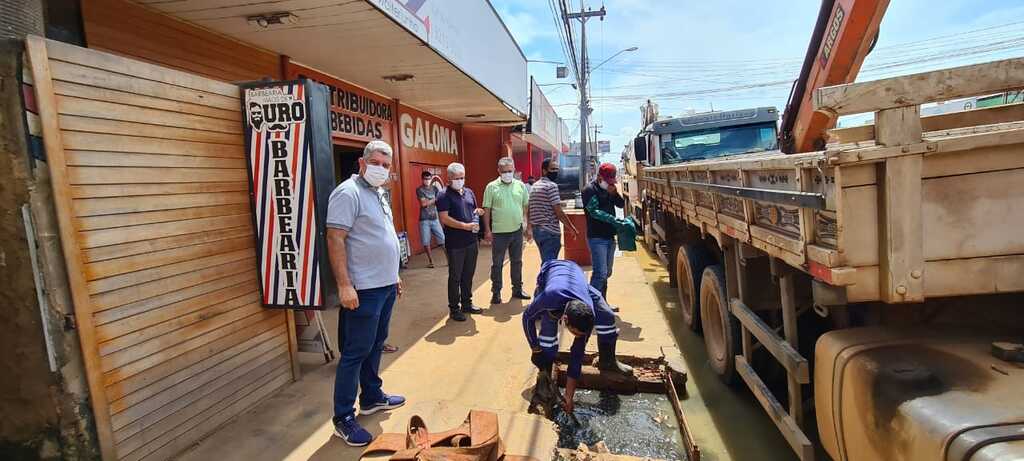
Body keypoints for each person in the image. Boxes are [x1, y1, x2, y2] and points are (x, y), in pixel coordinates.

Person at [325, 140, 406, 447]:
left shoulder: (378, 192)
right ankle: (343, 418)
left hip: (383, 285)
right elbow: (335, 238)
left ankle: (371, 397)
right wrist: (345, 285)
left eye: (386, 165)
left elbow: (380, 236)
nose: (381, 169)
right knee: (355, 352)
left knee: (375, 343)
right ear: (362, 163)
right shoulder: (348, 192)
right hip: (363, 289)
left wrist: (393, 274)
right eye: (376, 162)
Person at [523, 260, 633, 413]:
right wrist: (535, 349)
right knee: (548, 339)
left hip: (577, 279)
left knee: (607, 316)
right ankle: (544, 380)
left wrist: (569, 396)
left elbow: (577, 356)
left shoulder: (588, 313)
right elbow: (527, 318)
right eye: (575, 333)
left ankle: (607, 361)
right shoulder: (549, 298)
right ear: (565, 320)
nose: (576, 337)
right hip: (551, 272)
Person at [437, 162, 485, 322]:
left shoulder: (469, 192)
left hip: (471, 241)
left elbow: (473, 210)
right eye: (456, 178)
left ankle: (467, 303)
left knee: (468, 275)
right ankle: (454, 308)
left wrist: (478, 212)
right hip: (455, 243)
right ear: (449, 178)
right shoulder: (443, 195)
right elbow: (444, 218)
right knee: (455, 277)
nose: (460, 180)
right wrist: (465, 226)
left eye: (462, 177)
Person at [483, 157, 531, 305]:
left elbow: (526, 206)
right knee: (497, 264)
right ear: (498, 171)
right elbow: (487, 209)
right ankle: (496, 292)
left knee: (517, 262)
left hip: (517, 231)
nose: (508, 174)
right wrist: (487, 230)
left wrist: (528, 226)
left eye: (510, 171)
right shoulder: (491, 187)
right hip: (499, 233)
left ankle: (517, 289)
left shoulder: (520, 186)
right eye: (504, 171)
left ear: (514, 169)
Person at [581, 162, 627, 300]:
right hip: (596, 237)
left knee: (607, 273)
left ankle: (602, 303)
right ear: (599, 177)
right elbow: (594, 212)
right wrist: (614, 220)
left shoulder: (610, 189)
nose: (609, 184)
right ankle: (592, 305)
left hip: (609, 237)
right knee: (599, 273)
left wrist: (614, 194)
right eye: (607, 181)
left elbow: (621, 204)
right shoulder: (589, 190)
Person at [528, 158, 579, 262]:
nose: (555, 172)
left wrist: (530, 227)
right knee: (550, 265)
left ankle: (544, 278)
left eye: (557, 169)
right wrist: (571, 227)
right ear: (544, 171)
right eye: (552, 169)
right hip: (549, 232)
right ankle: (544, 278)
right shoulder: (551, 186)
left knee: (546, 262)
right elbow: (558, 211)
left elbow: (530, 208)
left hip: (537, 231)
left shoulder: (534, 186)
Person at [416, 170, 446, 268]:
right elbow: (423, 204)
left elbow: (441, 199)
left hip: (435, 218)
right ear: (422, 179)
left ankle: (449, 259)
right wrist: (434, 199)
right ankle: (431, 261)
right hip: (424, 219)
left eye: (429, 179)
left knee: (443, 239)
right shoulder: (419, 190)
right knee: (426, 241)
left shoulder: (435, 189)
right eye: (425, 179)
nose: (427, 180)